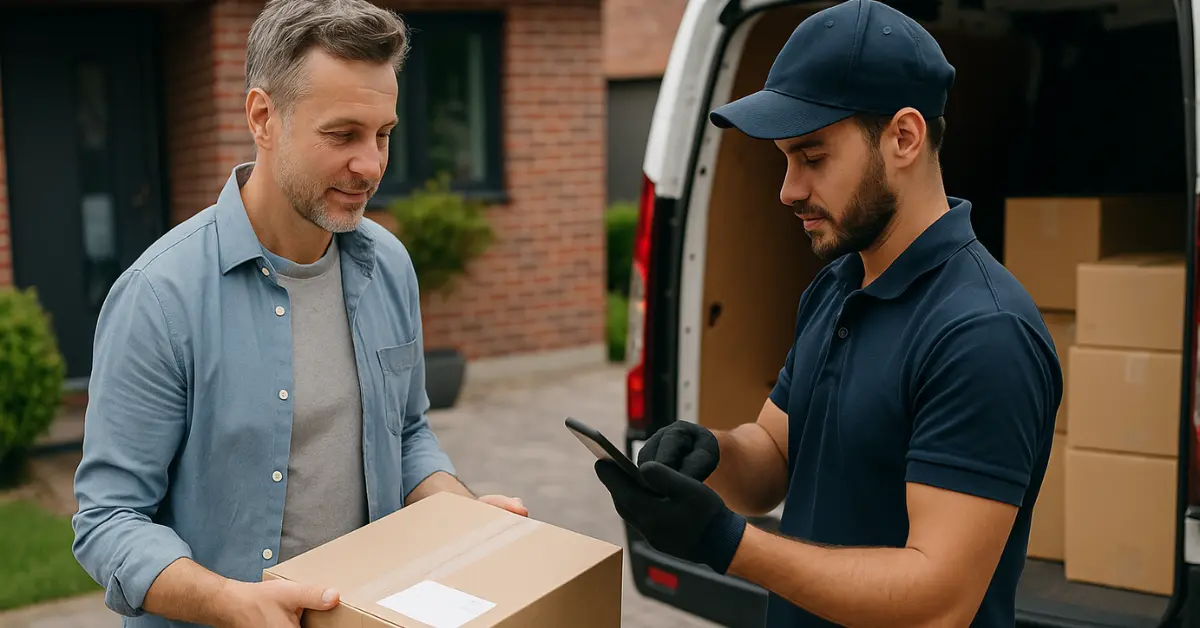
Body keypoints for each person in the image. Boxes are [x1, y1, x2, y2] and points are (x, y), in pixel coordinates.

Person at [594, 1, 1061, 626]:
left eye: (812, 158)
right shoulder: (838, 285)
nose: (788, 189)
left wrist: (725, 542)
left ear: (904, 137)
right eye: (786, 159)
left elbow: (939, 600)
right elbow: (776, 458)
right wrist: (713, 455)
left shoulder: (983, 334)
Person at [70, 2, 526, 626]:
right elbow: (109, 518)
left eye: (383, 134)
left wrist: (463, 514)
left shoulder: (388, 265)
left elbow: (408, 435)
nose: (370, 165)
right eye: (342, 135)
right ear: (263, 117)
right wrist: (233, 603)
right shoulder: (159, 296)